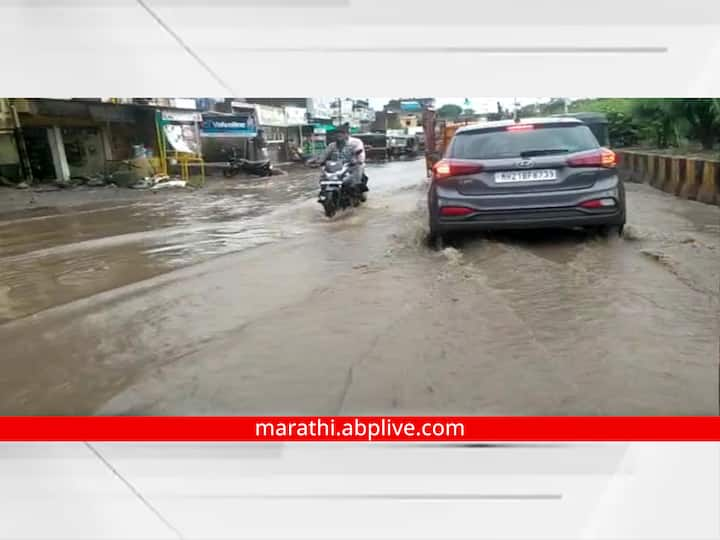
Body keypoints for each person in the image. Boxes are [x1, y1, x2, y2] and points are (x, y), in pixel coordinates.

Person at [316, 124, 367, 192]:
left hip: (351, 166)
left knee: (359, 168)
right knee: (323, 177)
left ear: (347, 134)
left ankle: (357, 189)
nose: (339, 135)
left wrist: (358, 160)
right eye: (337, 133)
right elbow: (324, 155)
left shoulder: (356, 142)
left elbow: (360, 152)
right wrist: (317, 161)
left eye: (342, 133)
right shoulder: (331, 145)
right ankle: (324, 192)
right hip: (336, 167)